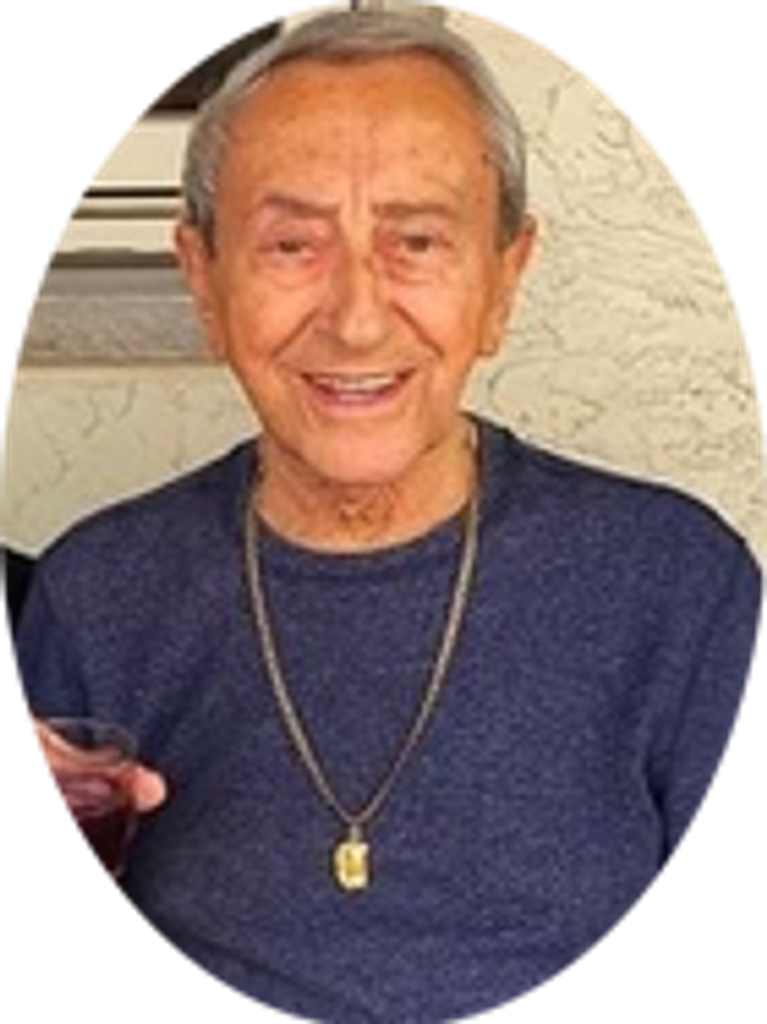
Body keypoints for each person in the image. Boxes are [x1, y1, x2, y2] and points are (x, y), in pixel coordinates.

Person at [12, 11, 763, 1021]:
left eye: (416, 241)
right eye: (291, 244)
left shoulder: (676, 585)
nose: (357, 319)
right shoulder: (98, 592)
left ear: (501, 281)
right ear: (204, 281)